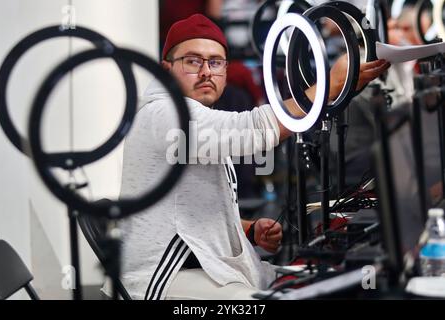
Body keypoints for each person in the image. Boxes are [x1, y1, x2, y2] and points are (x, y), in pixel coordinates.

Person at [116, 14, 390, 300]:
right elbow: (250, 130)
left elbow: (181, 212)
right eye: (193, 61)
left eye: (215, 62)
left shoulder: (191, 117)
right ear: (166, 70)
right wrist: (330, 85)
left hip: (203, 267)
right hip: (163, 277)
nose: (206, 71)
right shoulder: (165, 112)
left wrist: (246, 229)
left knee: (322, 281)